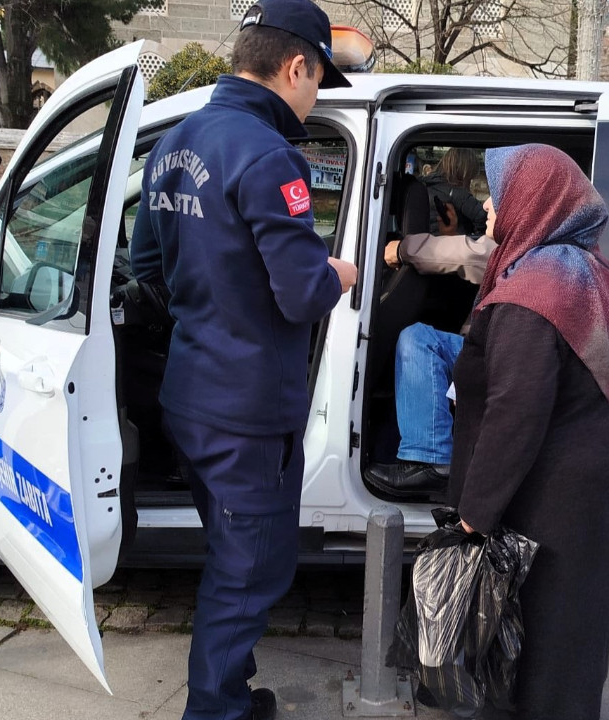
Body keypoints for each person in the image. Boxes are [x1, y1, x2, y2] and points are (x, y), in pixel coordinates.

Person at [128, 2, 358, 718]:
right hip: (249, 410)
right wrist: (340, 274)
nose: (314, 99)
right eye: (317, 82)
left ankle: (231, 680)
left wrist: (212, 305)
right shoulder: (268, 154)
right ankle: (217, 707)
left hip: (189, 395)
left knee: (230, 551)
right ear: (296, 67)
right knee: (250, 568)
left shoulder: (175, 141)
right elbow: (302, 294)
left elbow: (148, 267)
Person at [448, 144, 609, 720]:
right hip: (599, 478)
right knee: (577, 616)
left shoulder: (533, 291)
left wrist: (475, 513)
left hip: (559, 489)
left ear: (531, 200)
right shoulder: (584, 268)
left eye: (499, 190)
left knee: (542, 623)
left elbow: (517, 411)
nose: (488, 204)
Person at [366, 210, 496, 498]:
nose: (486, 204)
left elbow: (474, 254)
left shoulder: (521, 247)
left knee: (420, 340)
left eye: (496, 196)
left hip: (497, 356)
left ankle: (431, 458)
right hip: (494, 350)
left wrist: (403, 249)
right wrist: (449, 235)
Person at [422, 148, 488, 236]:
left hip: (427, 242)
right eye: (471, 177)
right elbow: (483, 217)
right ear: (465, 173)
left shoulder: (427, 186)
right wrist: (477, 235)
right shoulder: (458, 194)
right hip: (453, 243)